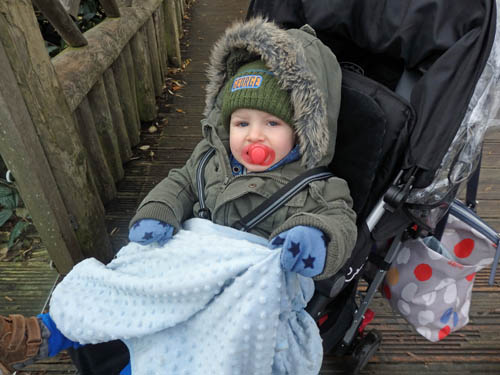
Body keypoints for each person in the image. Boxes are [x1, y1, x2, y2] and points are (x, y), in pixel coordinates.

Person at [0, 18, 357, 375]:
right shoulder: (210, 156)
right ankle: (45, 332)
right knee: (127, 278)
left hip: (240, 290)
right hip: (188, 262)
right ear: (225, 122)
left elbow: (339, 221)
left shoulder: (317, 185)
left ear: (304, 129)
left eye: (272, 124)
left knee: (190, 340)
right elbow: (182, 182)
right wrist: (160, 209)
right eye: (241, 123)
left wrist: (315, 239)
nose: (253, 137)